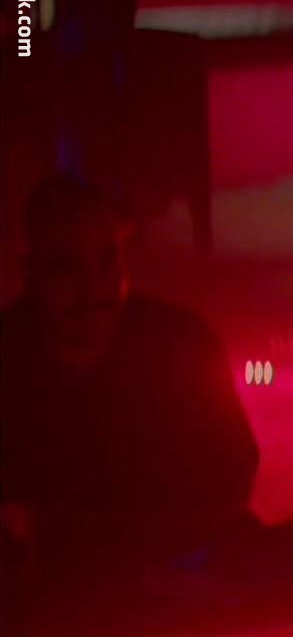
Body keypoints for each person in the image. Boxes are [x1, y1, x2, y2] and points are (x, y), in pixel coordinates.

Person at [0, 175, 260, 617]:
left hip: (176, 589)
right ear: (30, 271)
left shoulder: (181, 347)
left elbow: (231, 480)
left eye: (107, 261)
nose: (95, 287)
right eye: (67, 268)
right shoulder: (10, 361)